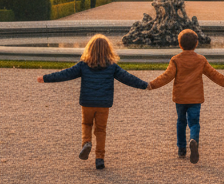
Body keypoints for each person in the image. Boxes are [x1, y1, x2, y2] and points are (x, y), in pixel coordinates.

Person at [38, 34, 148, 170]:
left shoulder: (83, 66)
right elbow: (128, 78)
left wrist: (46, 78)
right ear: (108, 50)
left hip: (87, 102)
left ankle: (86, 142)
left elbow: (65, 74)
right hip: (103, 104)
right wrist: (144, 85)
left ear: (89, 49)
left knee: (87, 124)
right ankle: (99, 159)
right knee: (101, 130)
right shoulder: (112, 67)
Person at [148, 28, 224, 163]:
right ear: (196, 43)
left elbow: (167, 76)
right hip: (195, 98)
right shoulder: (200, 59)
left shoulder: (176, 59)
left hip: (180, 97)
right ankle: (193, 139)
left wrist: (152, 84)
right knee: (194, 123)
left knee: (181, 122)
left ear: (180, 44)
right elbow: (214, 74)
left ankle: (181, 149)